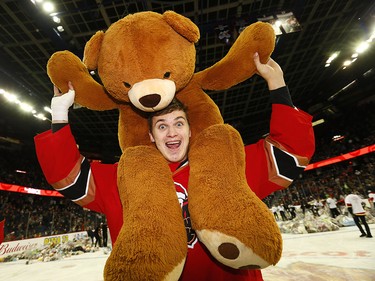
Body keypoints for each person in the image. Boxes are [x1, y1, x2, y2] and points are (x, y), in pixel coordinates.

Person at [34, 53, 315, 280]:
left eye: (179, 123)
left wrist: (277, 86)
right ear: (151, 136)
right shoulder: (126, 177)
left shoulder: (225, 164)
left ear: (191, 131)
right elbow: (67, 176)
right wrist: (59, 113)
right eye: (162, 126)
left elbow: (292, 153)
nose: (171, 133)